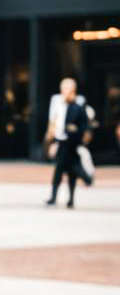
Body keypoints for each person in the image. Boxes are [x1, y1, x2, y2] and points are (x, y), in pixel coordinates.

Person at [45, 78, 90, 208]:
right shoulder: (57, 103)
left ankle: (82, 183)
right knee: (64, 170)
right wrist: (52, 141)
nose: (64, 91)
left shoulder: (78, 106)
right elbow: (53, 122)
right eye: (62, 88)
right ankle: (58, 197)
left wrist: (76, 133)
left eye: (66, 88)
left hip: (71, 143)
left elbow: (84, 125)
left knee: (65, 170)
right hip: (61, 141)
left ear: (73, 90)